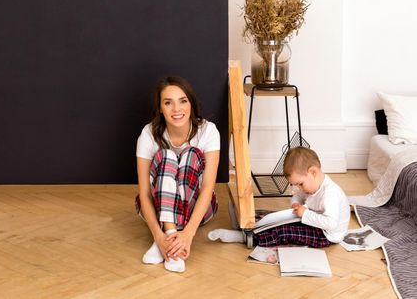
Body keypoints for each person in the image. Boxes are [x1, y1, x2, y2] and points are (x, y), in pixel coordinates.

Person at [135, 76, 220, 273]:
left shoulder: (208, 131)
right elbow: (145, 193)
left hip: (197, 209)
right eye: (168, 103)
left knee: (190, 154)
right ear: (160, 109)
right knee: (167, 156)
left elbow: (207, 188)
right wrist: (159, 236)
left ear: (191, 103)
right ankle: (170, 237)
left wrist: (188, 235)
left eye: (183, 101)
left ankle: (169, 243)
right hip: (157, 211)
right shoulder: (148, 134)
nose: (176, 109)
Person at [209, 146, 350, 248]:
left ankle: (245, 237)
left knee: (284, 231)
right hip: (312, 219)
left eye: (300, 184)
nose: (299, 188)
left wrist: (305, 214)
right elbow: (298, 196)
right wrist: (295, 204)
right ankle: (243, 224)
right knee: (269, 216)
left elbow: (331, 223)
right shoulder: (310, 186)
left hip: (326, 234)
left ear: (313, 172)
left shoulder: (330, 194)